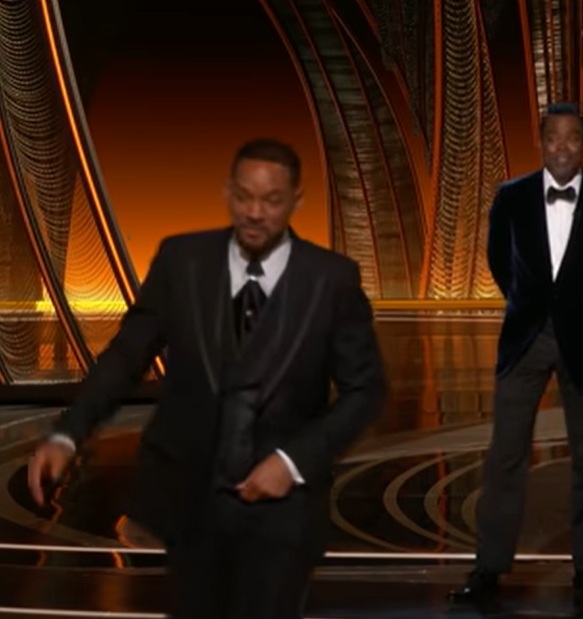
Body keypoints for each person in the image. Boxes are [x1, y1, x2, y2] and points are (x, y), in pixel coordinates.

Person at [27, 138, 387, 619]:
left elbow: (365, 390)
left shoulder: (331, 279)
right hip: (190, 501)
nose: (254, 212)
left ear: (296, 200)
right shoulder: (182, 262)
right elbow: (127, 356)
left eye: (271, 200)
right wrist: (68, 434)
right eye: (243, 197)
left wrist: (292, 461)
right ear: (227, 192)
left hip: (283, 511)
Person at [448, 102, 583, 617]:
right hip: (525, 339)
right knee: (505, 454)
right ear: (541, 141)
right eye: (553, 137)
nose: (561, 147)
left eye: (572, 138)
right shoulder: (510, 198)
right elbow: (497, 261)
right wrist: (530, 304)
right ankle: (488, 566)